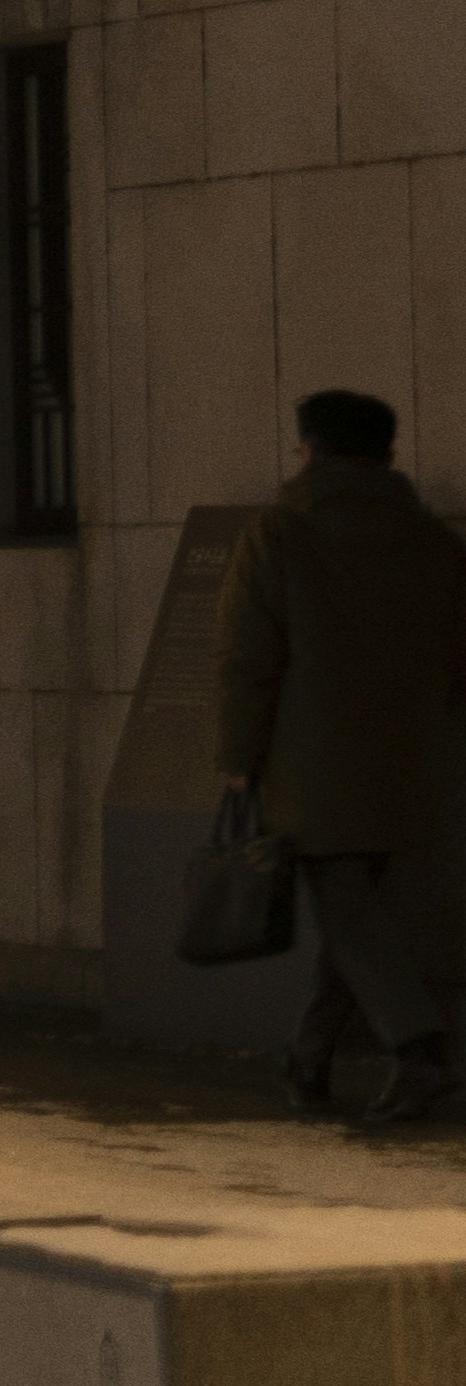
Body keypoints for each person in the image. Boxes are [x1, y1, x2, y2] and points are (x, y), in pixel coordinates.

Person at [225, 386, 466, 1121]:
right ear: (388, 456)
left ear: (312, 449)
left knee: (348, 911)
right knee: (357, 919)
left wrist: (239, 758)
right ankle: (307, 1061)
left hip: (316, 765)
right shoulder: (435, 543)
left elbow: (247, 659)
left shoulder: (280, 534)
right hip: (419, 761)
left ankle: (421, 1052)